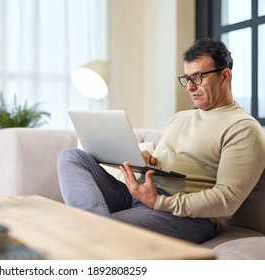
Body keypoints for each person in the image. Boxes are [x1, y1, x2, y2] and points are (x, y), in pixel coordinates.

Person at [57, 38, 265, 244]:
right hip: (140, 196)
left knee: (98, 230)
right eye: (187, 78)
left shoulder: (243, 128)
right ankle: (92, 227)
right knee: (71, 157)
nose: (190, 87)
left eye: (198, 77)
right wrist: (148, 163)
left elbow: (226, 200)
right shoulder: (180, 118)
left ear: (225, 76)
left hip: (187, 218)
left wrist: (159, 202)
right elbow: (167, 162)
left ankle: (93, 232)